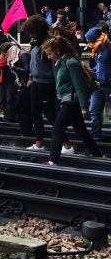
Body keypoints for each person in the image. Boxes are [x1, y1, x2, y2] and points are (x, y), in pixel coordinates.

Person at [42, 36, 102, 164]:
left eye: (49, 53)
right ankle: (97, 154)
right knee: (81, 130)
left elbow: (79, 85)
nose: (49, 57)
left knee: (57, 128)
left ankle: (53, 160)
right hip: (70, 101)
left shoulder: (71, 63)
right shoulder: (64, 63)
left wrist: (84, 106)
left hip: (71, 102)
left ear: (57, 51)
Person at [24, 16, 65, 152]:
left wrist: (58, 87)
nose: (31, 35)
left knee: (49, 113)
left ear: (40, 31)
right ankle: (39, 142)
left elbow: (55, 66)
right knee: (35, 112)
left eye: (33, 32)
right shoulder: (36, 43)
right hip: (36, 81)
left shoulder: (50, 43)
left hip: (47, 83)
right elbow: (34, 62)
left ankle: (66, 143)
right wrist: (31, 76)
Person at [86, 26, 111, 141]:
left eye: (90, 41)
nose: (88, 44)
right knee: (94, 110)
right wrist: (92, 71)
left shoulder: (109, 47)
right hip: (98, 83)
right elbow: (100, 65)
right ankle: (96, 135)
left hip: (108, 84)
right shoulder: (97, 49)